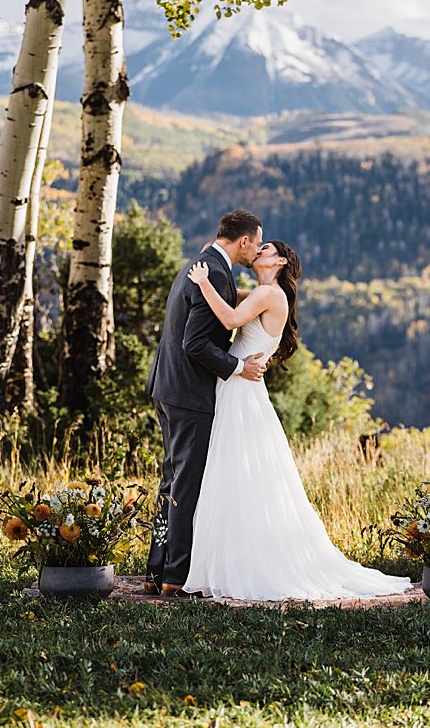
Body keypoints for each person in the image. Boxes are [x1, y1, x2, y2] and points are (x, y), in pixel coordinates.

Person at [177, 231, 411, 600]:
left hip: (241, 389)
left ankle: (242, 563)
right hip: (241, 386)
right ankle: (232, 560)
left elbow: (229, 319)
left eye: (265, 248)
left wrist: (203, 281)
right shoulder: (263, 293)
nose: (258, 250)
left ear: (280, 261)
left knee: (234, 472)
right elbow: (232, 301)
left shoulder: (271, 294)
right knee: (236, 474)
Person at [144, 210, 272, 596]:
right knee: (186, 483)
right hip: (189, 394)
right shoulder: (215, 272)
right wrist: (237, 367)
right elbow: (195, 343)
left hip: (167, 387)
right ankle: (176, 576)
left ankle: (157, 570)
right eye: (256, 242)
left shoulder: (201, 263)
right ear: (245, 241)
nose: (256, 250)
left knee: (170, 481)